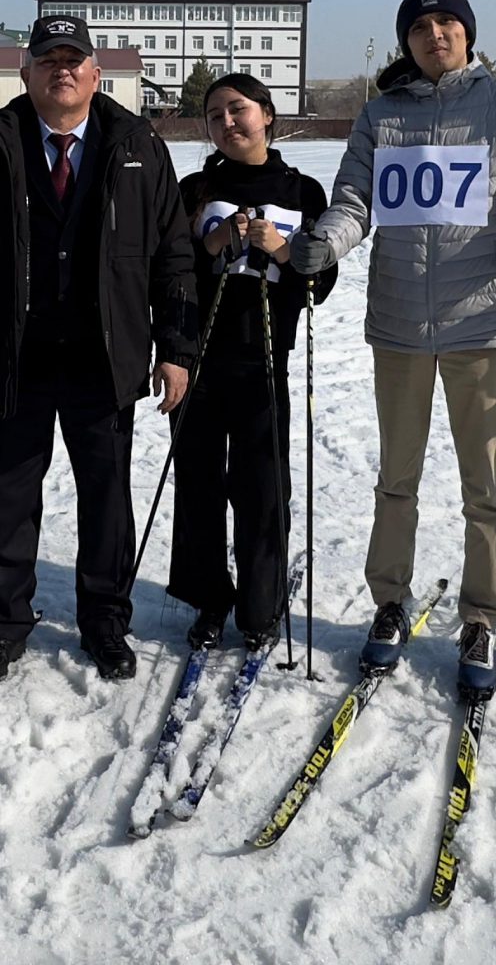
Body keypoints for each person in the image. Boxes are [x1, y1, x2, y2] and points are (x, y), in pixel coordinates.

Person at [288, 0, 496, 698]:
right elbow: (355, 200)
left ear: (468, 33)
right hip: (401, 322)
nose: (435, 34)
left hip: (482, 320)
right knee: (397, 477)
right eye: (420, 26)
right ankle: (390, 599)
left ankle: (481, 615)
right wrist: (328, 242)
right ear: (406, 41)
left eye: (447, 23)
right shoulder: (382, 114)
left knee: (484, 482)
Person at [0, 14, 197, 684]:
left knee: (107, 499)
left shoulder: (138, 147)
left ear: (96, 74)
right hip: (13, 359)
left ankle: (104, 621)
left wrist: (176, 347)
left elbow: (174, 256)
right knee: (10, 499)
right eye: (48, 60)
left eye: (74, 60)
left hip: (106, 359)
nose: (61, 70)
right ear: (27, 72)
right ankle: (5, 624)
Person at [169, 74, 336, 652]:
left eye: (238, 109)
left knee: (262, 485)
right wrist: (212, 245)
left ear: (266, 114)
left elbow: (320, 282)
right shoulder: (194, 189)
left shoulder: (302, 190)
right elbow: (170, 272)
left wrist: (282, 250)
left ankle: (261, 603)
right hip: (198, 359)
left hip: (264, 358)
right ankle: (209, 596)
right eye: (215, 115)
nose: (227, 122)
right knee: (198, 482)